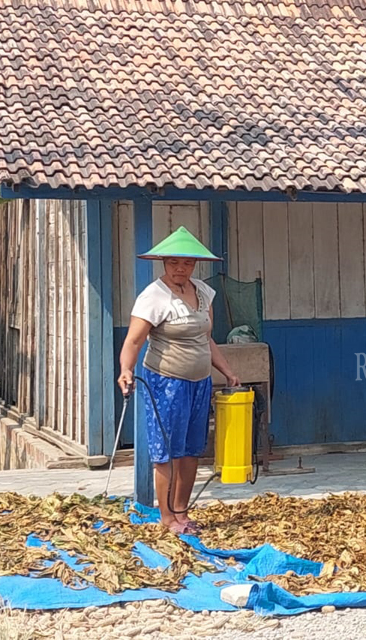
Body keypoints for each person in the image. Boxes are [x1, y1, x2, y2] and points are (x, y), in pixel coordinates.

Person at [117, 226, 239, 535]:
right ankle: (167, 516)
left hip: (200, 382)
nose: (180, 269)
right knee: (166, 450)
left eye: (186, 263)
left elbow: (206, 339)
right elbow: (134, 341)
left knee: (191, 448)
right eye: (173, 263)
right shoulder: (154, 296)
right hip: (166, 383)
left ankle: (182, 512)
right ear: (163, 263)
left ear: (195, 265)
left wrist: (227, 370)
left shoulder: (203, 292)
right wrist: (126, 370)